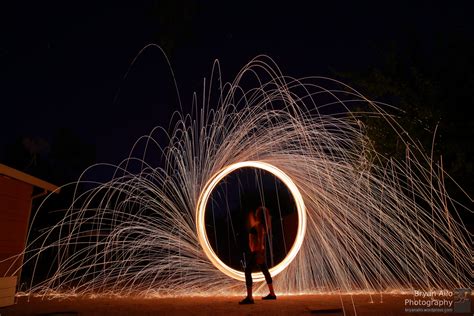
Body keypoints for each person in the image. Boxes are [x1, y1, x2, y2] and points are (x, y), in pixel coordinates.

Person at [239, 206, 276, 304]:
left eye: (257, 213)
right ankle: (272, 294)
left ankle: (250, 298)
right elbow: (253, 226)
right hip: (257, 251)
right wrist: (250, 214)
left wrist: (259, 253)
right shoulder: (258, 224)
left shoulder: (259, 225)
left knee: (247, 271)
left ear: (259, 215)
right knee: (265, 271)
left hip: (256, 252)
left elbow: (260, 239)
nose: (255, 214)